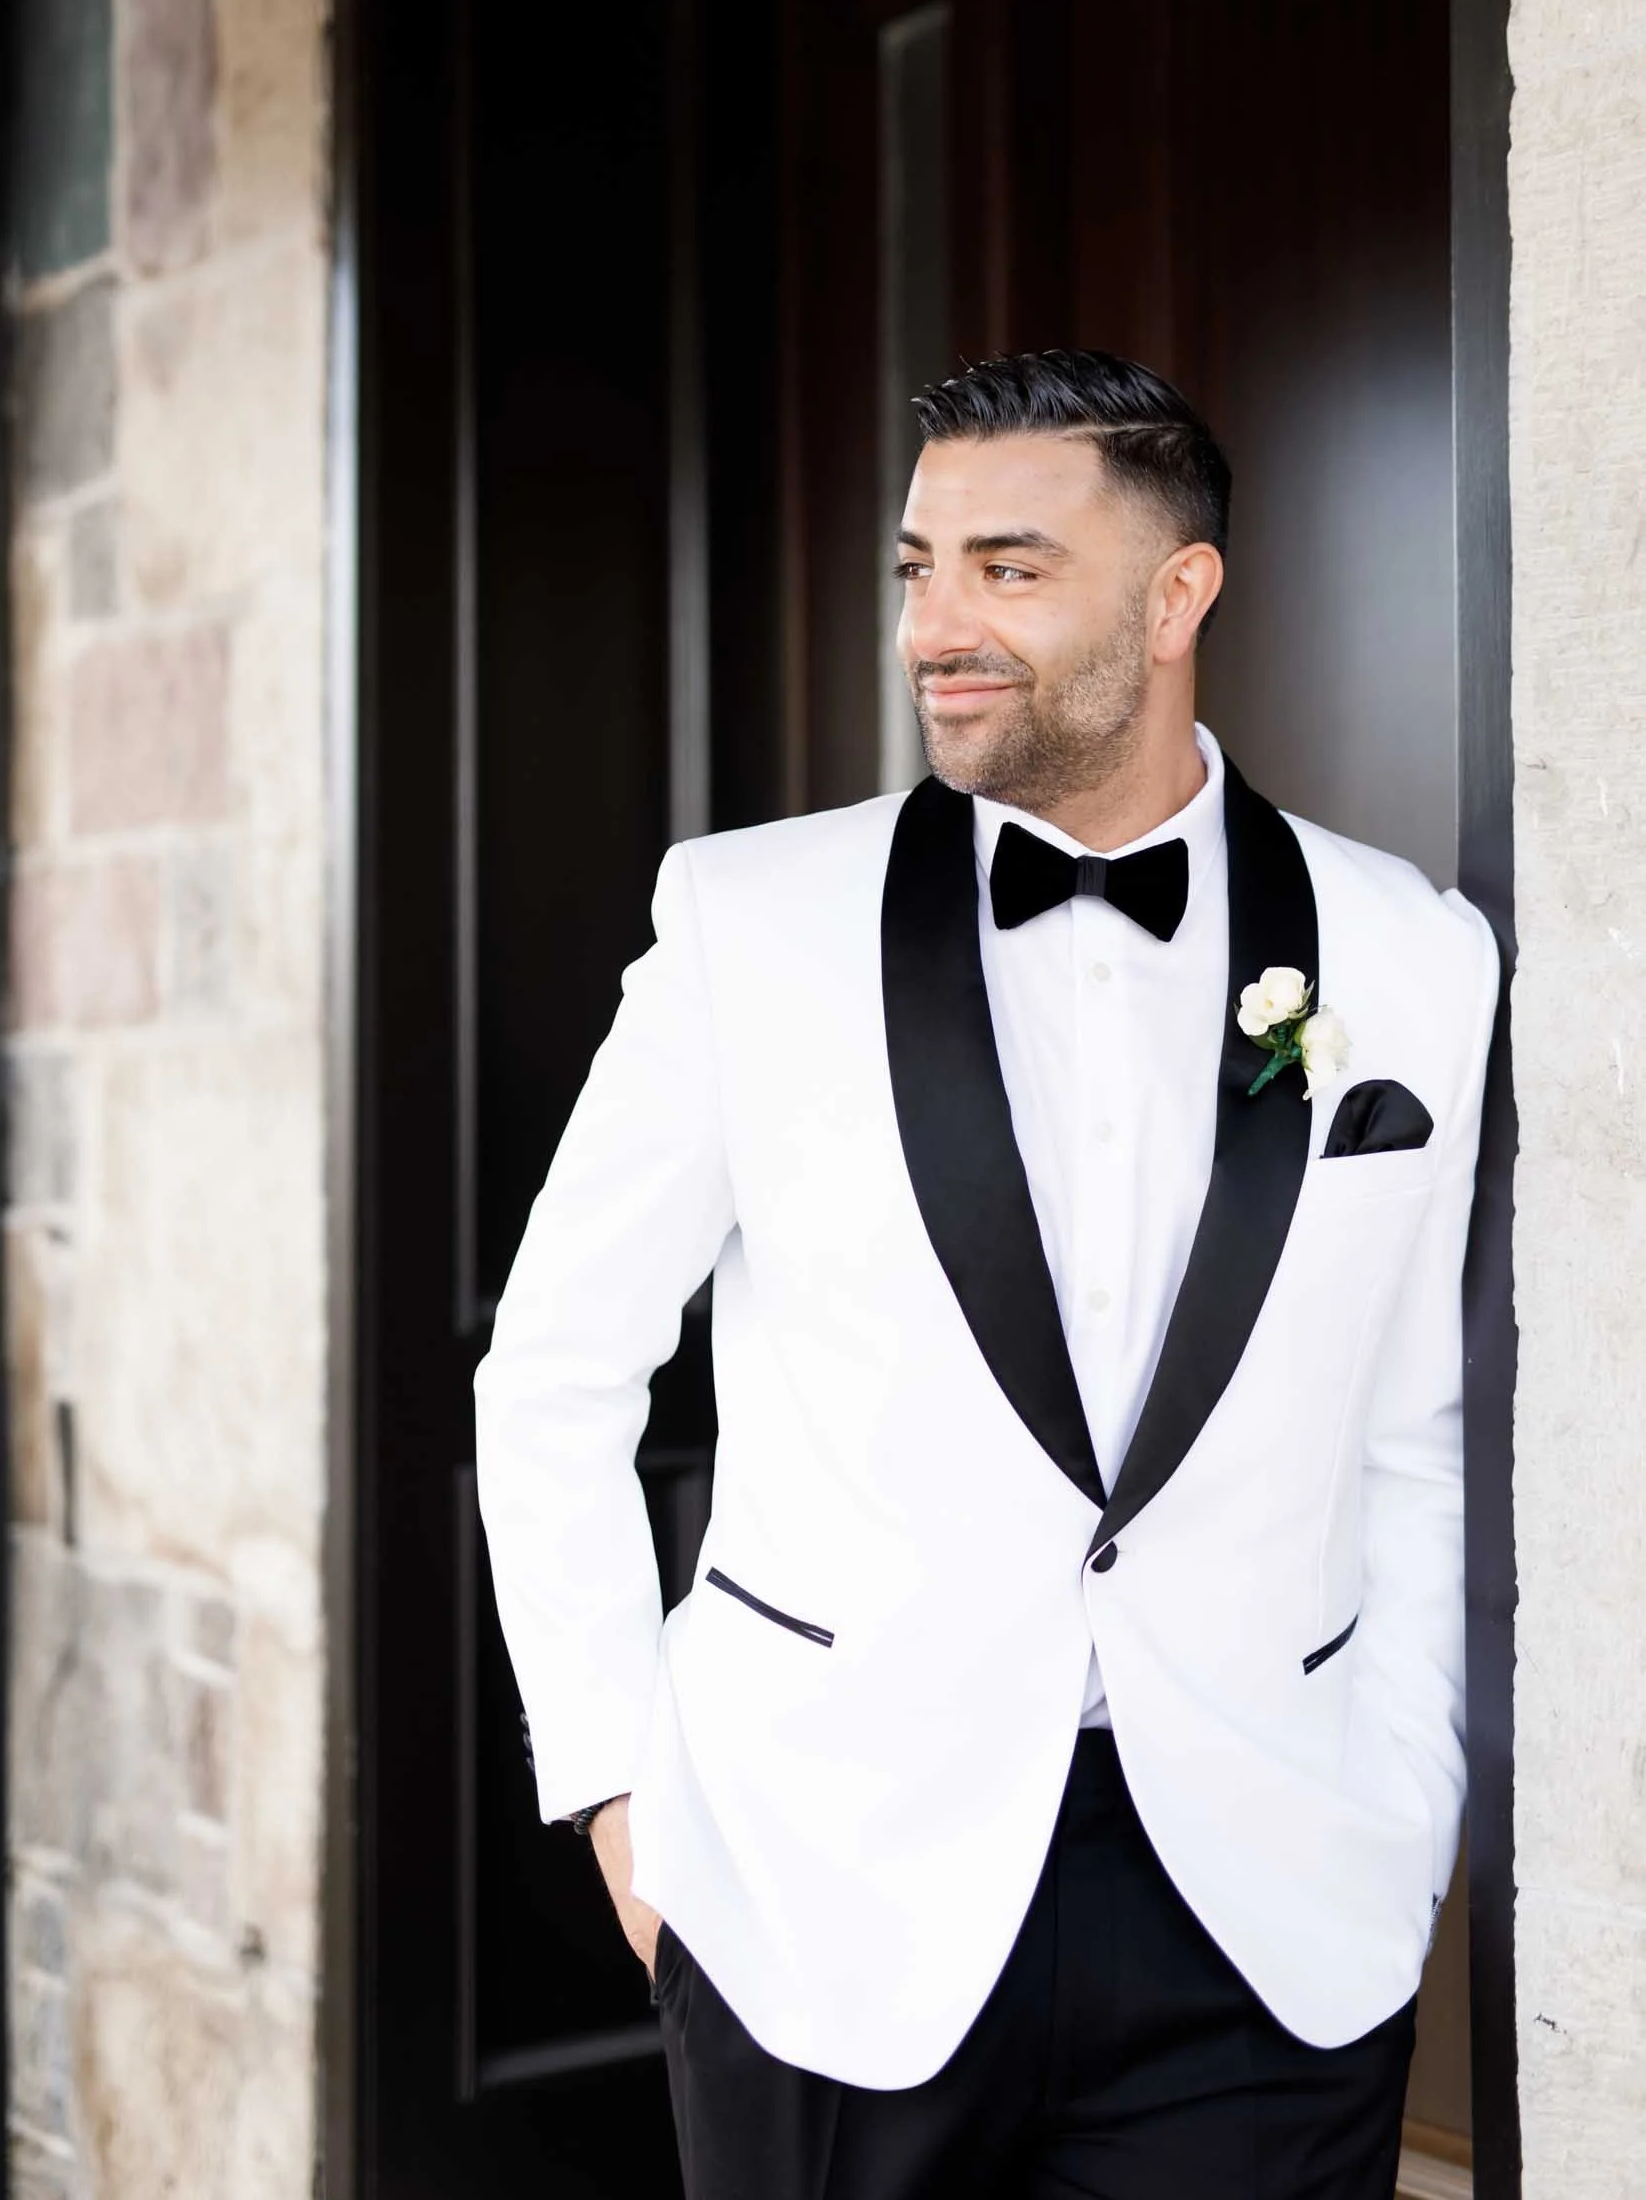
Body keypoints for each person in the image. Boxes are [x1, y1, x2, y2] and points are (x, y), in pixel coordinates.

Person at [475, 348, 1499, 2199]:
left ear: (1176, 594)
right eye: (913, 565)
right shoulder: (746, 921)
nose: (933, 624)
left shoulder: (1412, 956)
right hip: (820, 1893)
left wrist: (1406, 1808)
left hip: (1263, 1913)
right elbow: (552, 1371)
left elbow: (1417, 1430)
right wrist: (627, 1814)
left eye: (1006, 569)